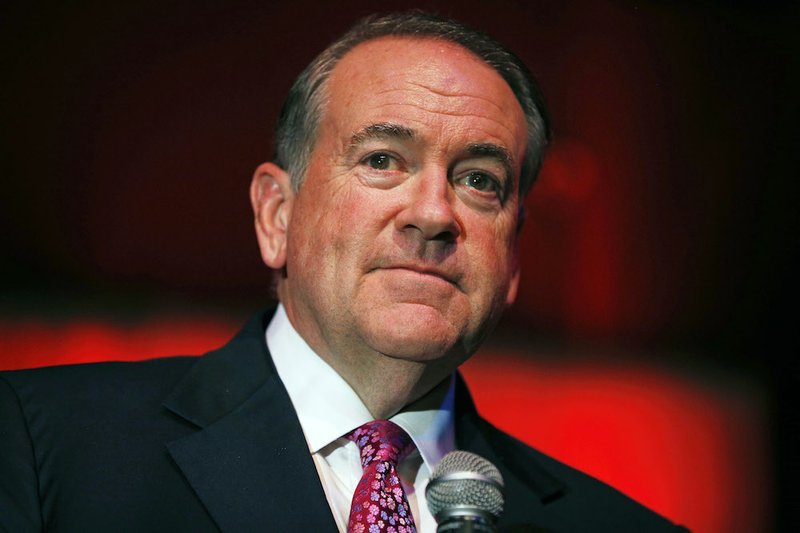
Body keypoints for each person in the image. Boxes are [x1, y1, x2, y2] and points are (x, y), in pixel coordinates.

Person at [0, 11, 686, 532]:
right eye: (383, 160)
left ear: (512, 259)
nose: (434, 214)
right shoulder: (40, 444)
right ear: (276, 215)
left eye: (479, 179)